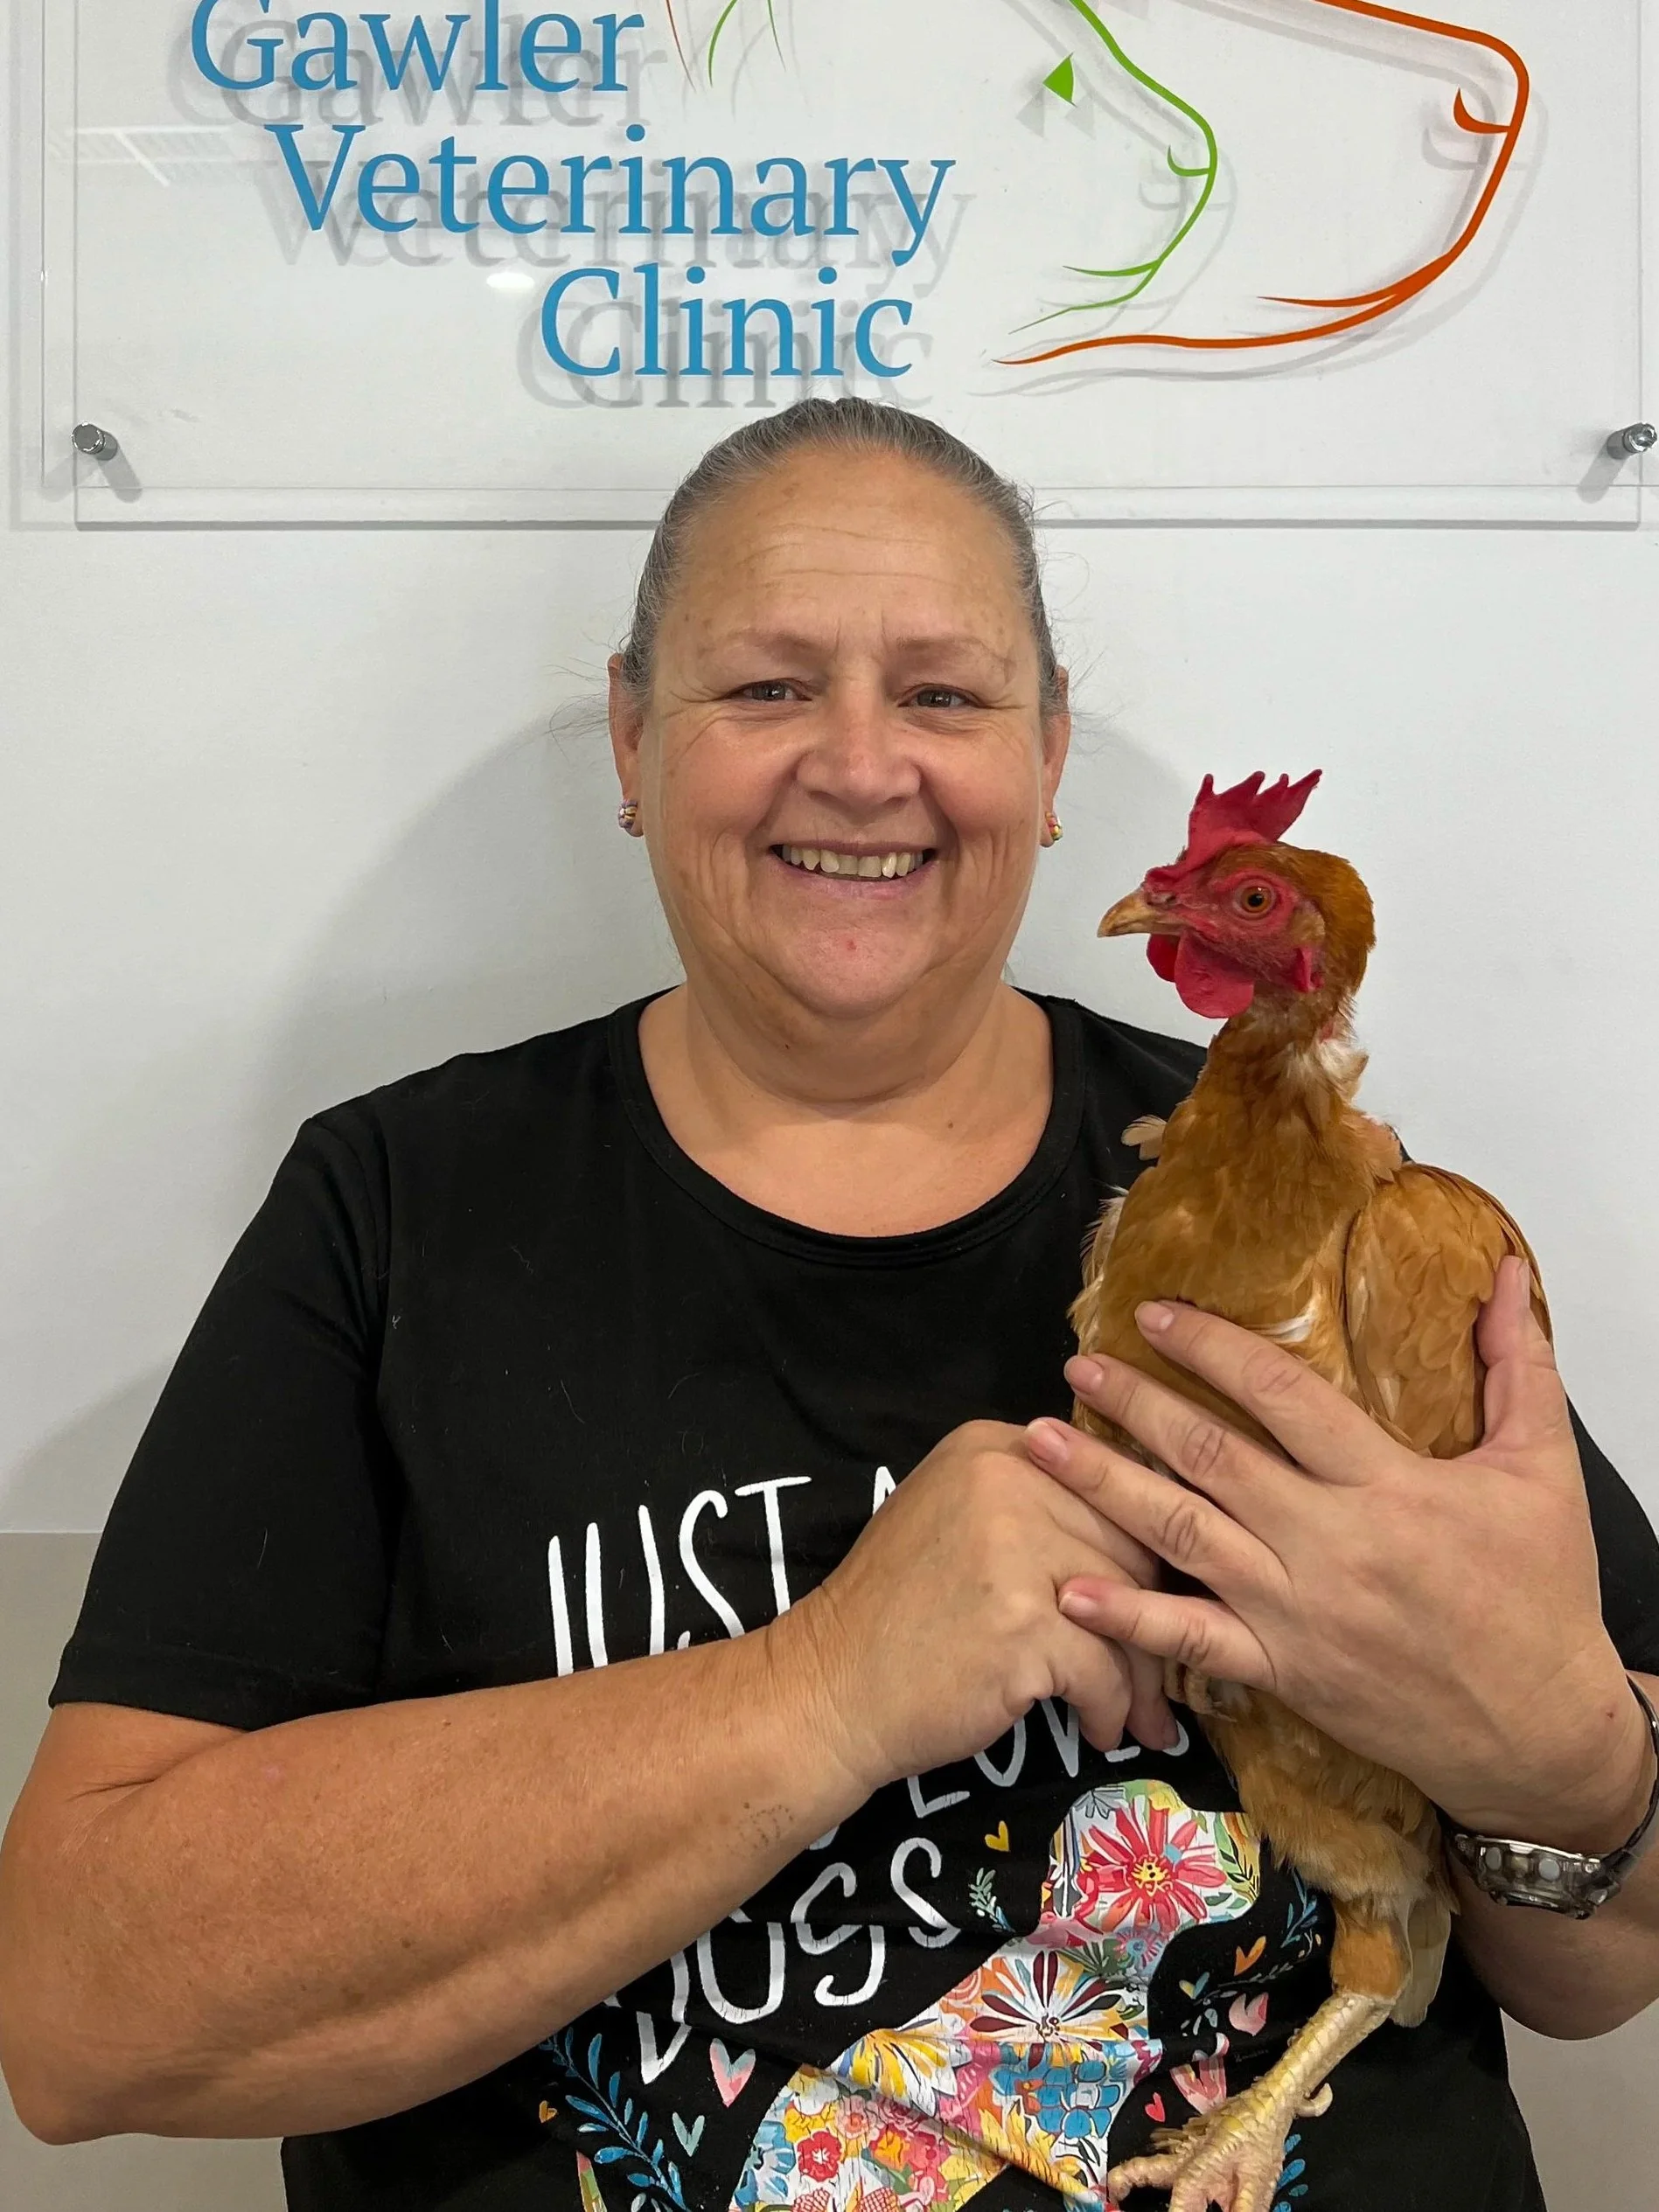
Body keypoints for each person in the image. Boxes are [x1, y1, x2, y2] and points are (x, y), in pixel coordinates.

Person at [1, 399, 1656, 2212]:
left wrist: (1557, 1759)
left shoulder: (1343, 1220)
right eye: (767, 688)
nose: (862, 766)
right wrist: (819, 1688)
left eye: (943, 696)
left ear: (1046, 755)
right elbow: (83, 2015)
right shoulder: (396, 1210)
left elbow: (1602, 1963)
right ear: (635, 738)